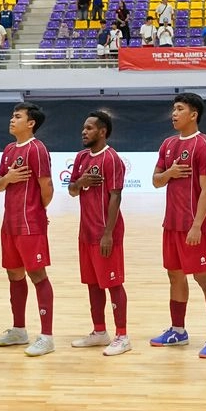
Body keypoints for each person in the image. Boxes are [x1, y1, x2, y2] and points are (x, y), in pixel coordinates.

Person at [149, 93, 206, 359]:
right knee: (175, 276)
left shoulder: (204, 145)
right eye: (173, 109)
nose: (174, 113)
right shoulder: (168, 144)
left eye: (179, 109)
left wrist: (197, 226)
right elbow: (156, 181)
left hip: (194, 226)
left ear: (193, 115)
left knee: (205, 279)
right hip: (171, 224)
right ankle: (178, 331)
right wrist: (169, 173)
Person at [0, 103, 56, 357]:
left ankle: (47, 337)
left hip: (30, 225)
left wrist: (36, 213)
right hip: (9, 224)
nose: (12, 119)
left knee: (37, 275)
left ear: (30, 123)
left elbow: (47, 188)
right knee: (14, 275)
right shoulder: (9, 150)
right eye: (12, 116)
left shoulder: (37, 149)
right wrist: (8, 179)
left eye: (17, 116)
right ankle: (19, 330)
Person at [68, 111, 132, 357]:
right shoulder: (81, 157)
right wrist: (81, 182)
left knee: (113, 284)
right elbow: (72, 190)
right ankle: (99, 332)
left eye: (89, 128)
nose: (84, 132)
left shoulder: (111, 159)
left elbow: (116, 196)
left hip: (106, 234)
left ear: (102, 132)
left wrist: (108, 234)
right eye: (83, 128)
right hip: (85, 233)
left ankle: (122, 336)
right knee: (93, 284)